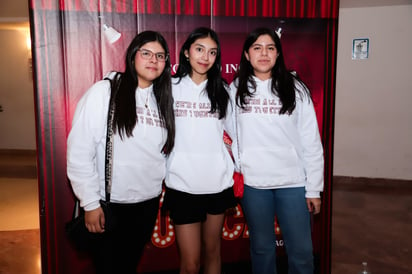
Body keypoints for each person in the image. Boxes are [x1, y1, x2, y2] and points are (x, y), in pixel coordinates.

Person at [66, 30, 175, 274]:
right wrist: (90, 203)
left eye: (160, 56)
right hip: (110, 206)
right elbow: (79, 151)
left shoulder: (162, 99)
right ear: (132, 56)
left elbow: (158, 153)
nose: (153, 60)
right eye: (146, 53)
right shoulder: (105, 92)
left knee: (129, 266)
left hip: (147, 205)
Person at [229, 27, 324, 274]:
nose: (264, 53)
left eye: (270, 48)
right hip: (254, 184)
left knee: (301, 251)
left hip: (292, 183)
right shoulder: (235, 90)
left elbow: (311, 140)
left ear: (278, 54)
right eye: (257, 48)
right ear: (247, 55)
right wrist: (239, 163)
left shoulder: (296, 88)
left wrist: (313, 188)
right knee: (261, 250)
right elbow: (225, 133)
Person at [163, 27, 236, 274]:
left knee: (213, 251)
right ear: (186, 53)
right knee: (191, 262)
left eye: (212, 52)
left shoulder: (223, 91)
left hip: (217, 184)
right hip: (182, 186)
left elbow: (236, 136)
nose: (205, 57)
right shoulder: (169, 87)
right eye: (199, 49)